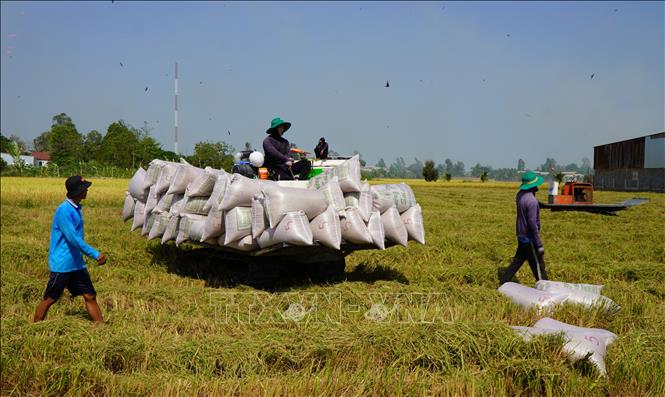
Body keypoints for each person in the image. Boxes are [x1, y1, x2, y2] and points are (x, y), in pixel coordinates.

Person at [34, 176, 107, 323]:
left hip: (77, 264)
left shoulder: (76, 208)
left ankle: (101, 328)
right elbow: (73, 239)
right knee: (50, 299)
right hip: (63, 265)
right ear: (78, 191)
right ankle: (34, 327)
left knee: (90, 295)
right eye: (84, 188)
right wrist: (95, 254)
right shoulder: (64, 211)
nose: (87, 190)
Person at [499, 170, 549, 285]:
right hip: (529, 237)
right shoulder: (532, 201)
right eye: (536, 184)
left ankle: (503, 282)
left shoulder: (520, 195)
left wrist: (540, 205)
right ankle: (546, 287)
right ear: (533, 185)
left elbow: (527, 203)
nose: (538, 186)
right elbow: (532, 223)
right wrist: (539, 244)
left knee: (517, 261)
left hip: (520, 234)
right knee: (538, 266)